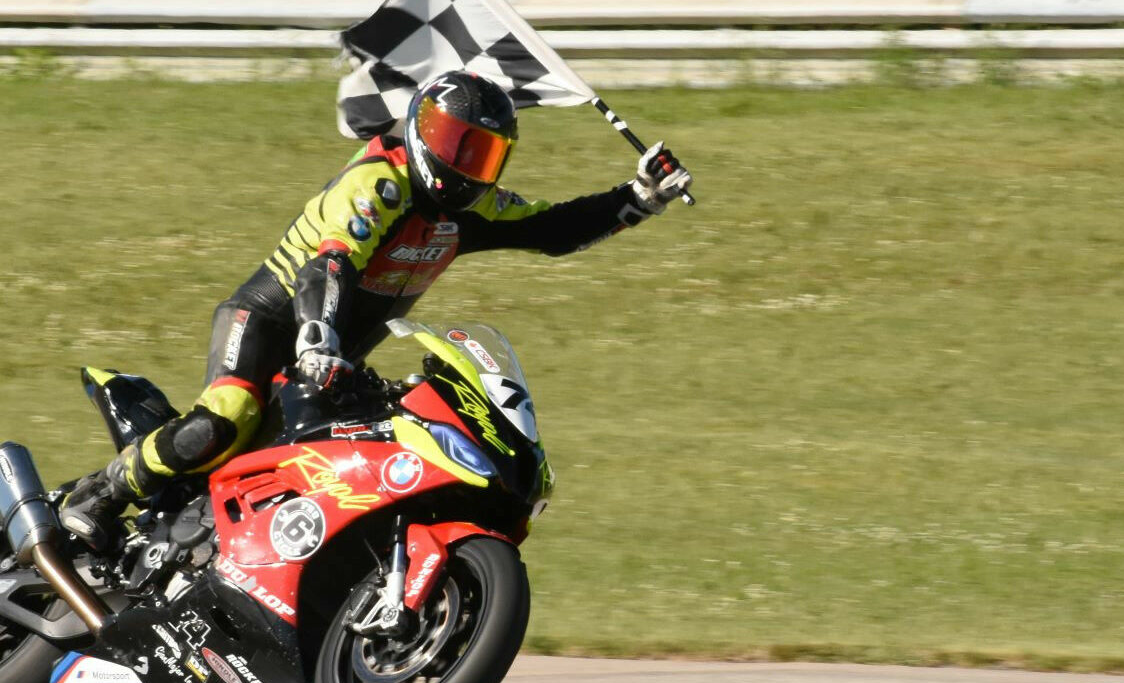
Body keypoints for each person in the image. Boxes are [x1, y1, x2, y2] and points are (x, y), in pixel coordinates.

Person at [59, 70, 694, 550]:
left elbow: (552, 229)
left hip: (336, 358)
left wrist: (638, 198)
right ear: (419, 130)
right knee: (223, 421)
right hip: (275, 323)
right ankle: (104, 492)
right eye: (452, 143)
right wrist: (314, 336)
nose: (461, 164)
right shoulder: (378, 185)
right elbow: (329, 264)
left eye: (480, 153)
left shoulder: (472, 210)